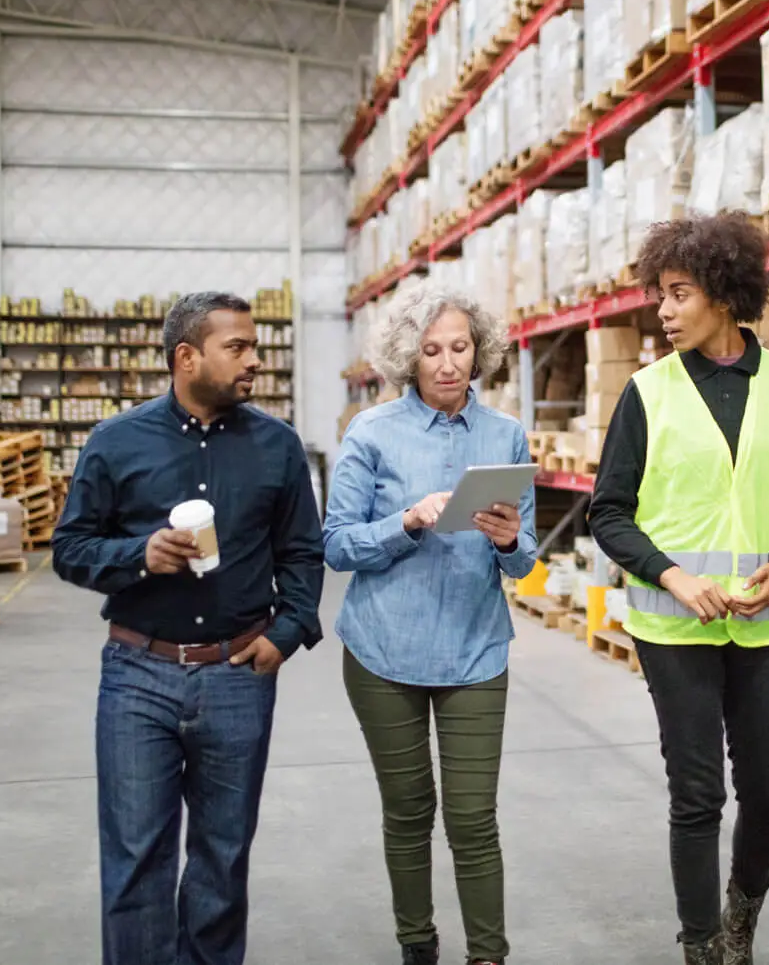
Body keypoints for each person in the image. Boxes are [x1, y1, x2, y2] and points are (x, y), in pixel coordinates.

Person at [588, 213, 769, 965]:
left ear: (724, 294)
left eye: (678, 293)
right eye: (659, 295)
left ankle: (742, 915)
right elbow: (609, 511)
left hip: (765, 626)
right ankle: (701, 945)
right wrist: (672, 575)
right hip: (674, 630)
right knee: (697, 796)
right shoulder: (648, 393)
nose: (663, 311)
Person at [52, 291, 325, 965]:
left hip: (237, 672)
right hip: (137, 675)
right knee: (136, 858)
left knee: (221, 859)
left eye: (254, 347)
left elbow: (301, 552)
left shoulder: (277, 445)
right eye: (238, 347)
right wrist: (135, 554)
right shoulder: (116, 442)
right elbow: (70, 548)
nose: (255, 361)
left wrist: (286, 632)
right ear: (186, 357)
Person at [323, 282, 538, 965]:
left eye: (460, 348)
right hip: (384, 651)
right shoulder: (372, 433)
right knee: (410, 813)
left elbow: (525, 563)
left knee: (474, 819)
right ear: (408, 359)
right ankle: (418, 943)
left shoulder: (504, 435)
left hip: (476, 652)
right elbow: (335, 544)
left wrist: (508, 540)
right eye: (432, 351)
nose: (448, 364)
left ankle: (488, 954)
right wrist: (407, 522)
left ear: (480, 353)